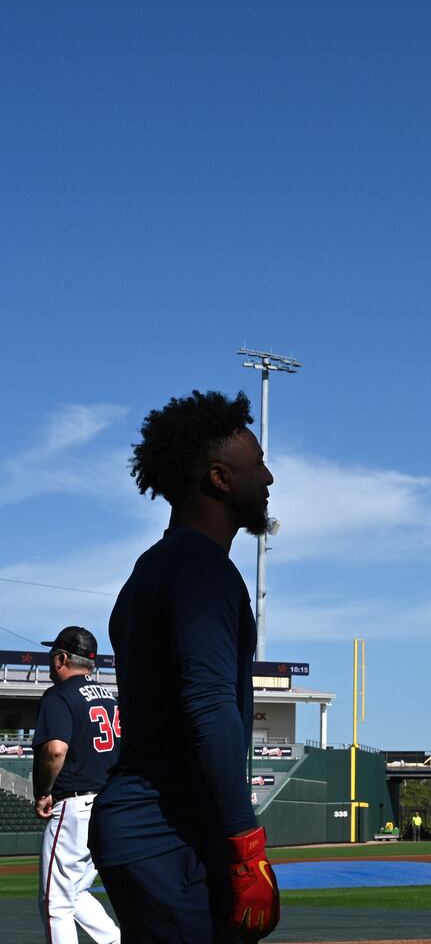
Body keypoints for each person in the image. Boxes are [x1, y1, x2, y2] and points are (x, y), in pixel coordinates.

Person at [90, 390, 280, 943]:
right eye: (258, 464)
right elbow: (210, 706)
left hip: (159, 830)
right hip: (165, 834)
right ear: (220, 479)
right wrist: (246, 845)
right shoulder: (201, 572)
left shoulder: (153, 566)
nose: (268, 479)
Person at [33, 626, 122, 944]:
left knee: (55, 903)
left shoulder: (59, 695)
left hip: (74, 806)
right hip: (107, 805)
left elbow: (56, 749)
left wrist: (43, 792)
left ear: (61, 659)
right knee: (75, 892)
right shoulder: (108, 697)